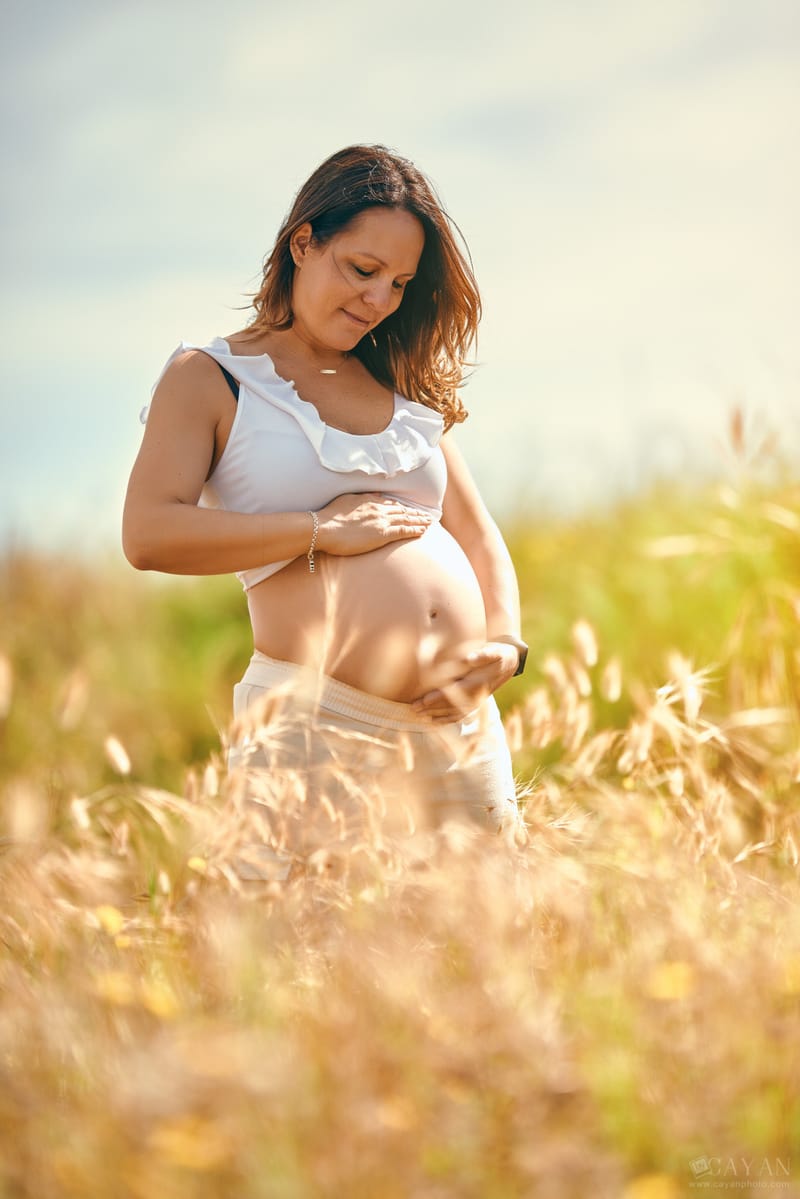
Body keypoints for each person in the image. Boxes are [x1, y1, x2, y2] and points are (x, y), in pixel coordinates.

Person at [123, 144, 527, 857]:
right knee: (314, 958)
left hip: (458, 728)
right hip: (319, 724)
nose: (379, 300)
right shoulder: (211, 377)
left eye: (399, 283)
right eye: (363, 270)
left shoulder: (400, 385)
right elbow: (148, 534)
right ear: (303, 242)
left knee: (488, 959)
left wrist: (505, 646)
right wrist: (317, 530)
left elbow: (477, 534)